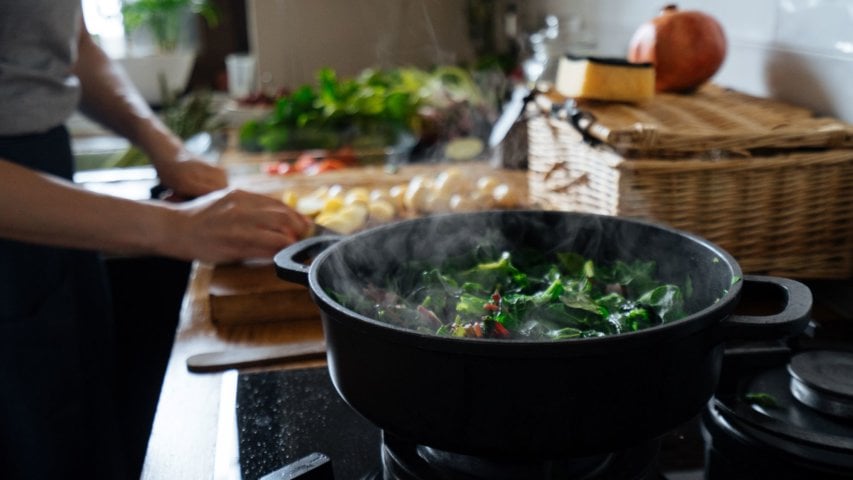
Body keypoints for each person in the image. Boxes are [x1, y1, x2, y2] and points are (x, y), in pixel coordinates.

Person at [0, 1, 311, 478]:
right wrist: (176, 227)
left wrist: (165, 146)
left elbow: (73, 42)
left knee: (80, 422)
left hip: (51, 187)